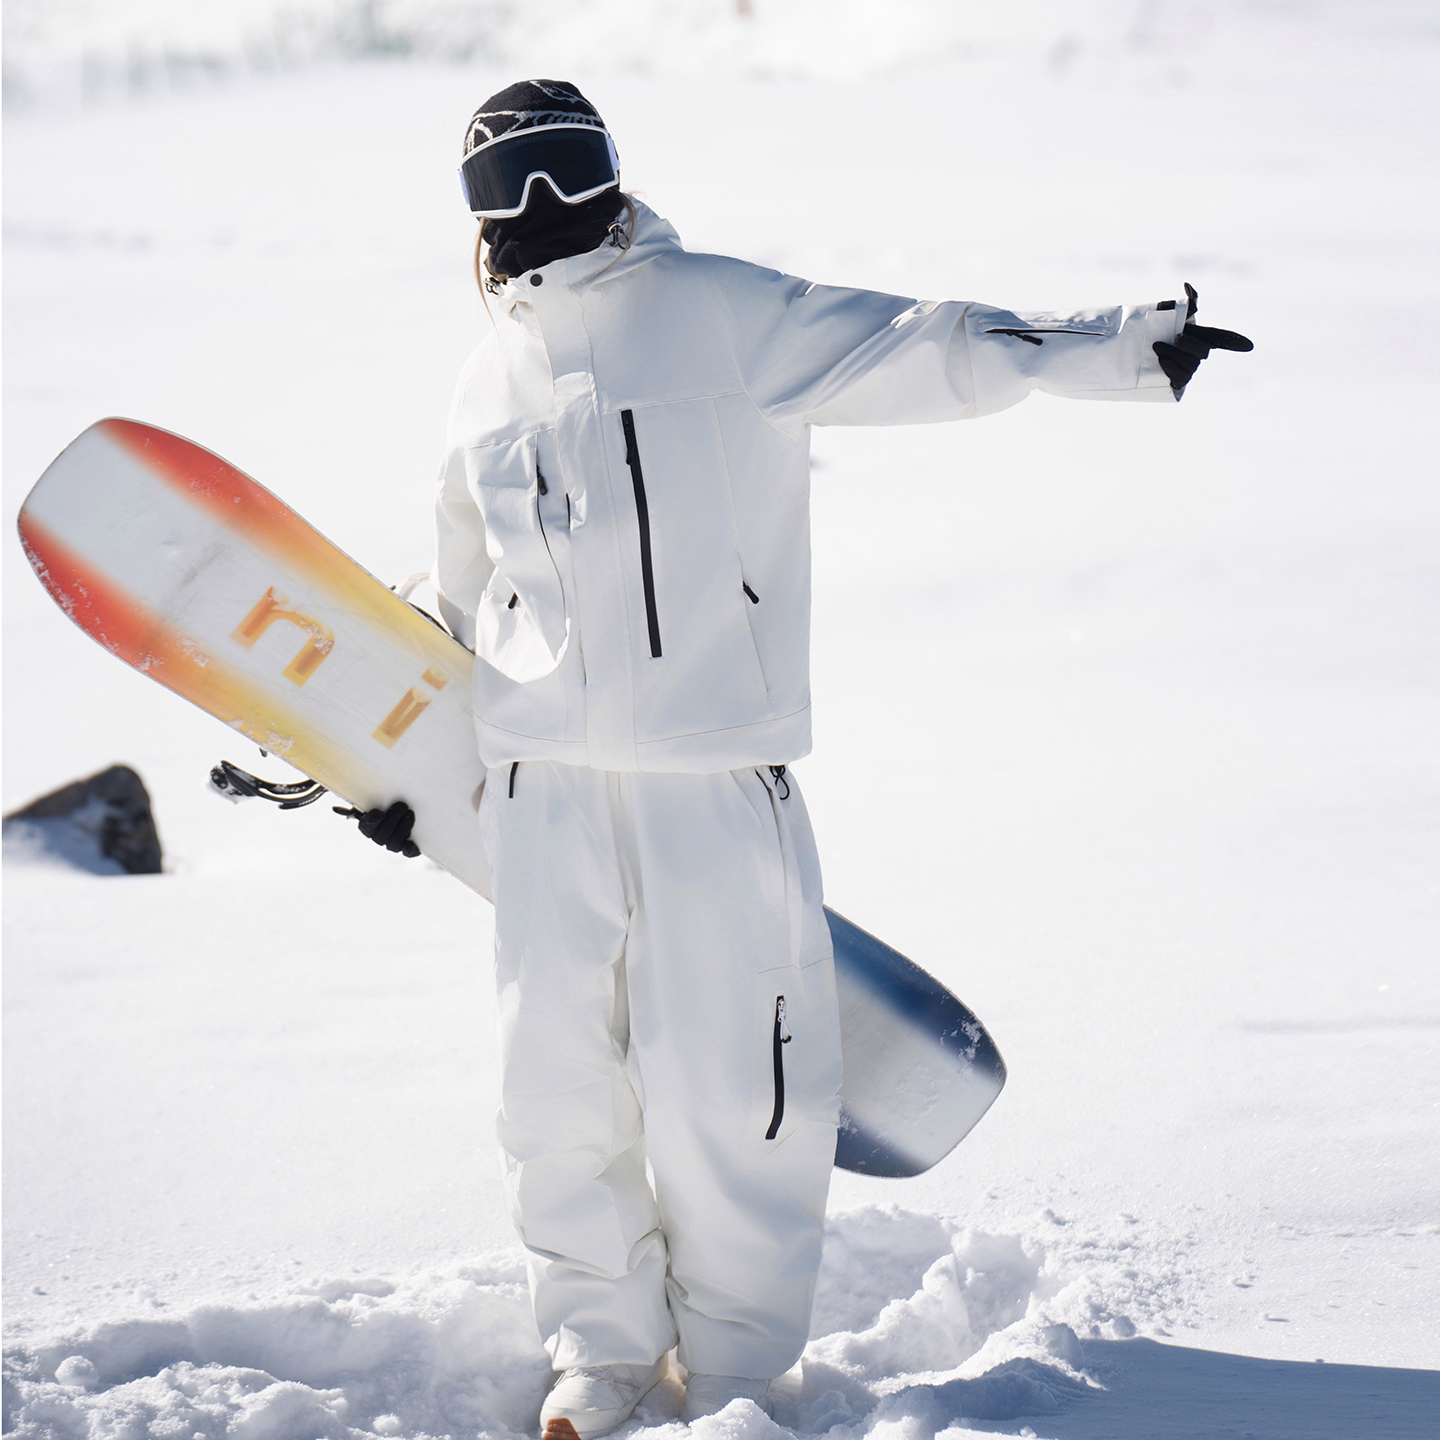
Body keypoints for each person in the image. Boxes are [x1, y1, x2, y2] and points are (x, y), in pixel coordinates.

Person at [345, 77, 1252, 1440]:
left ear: (610, 170)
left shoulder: (719, 310)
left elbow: (923, 344)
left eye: (565, 167)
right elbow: (463, 606)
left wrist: (1118, 347)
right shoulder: (489, 381)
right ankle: (598, 1353)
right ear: (474, 214)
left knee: (733, 1088)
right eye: (507, 182)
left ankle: (736, 1370)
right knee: (553, 1088)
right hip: (544, 789)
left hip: (711, 769)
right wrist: (386, 757)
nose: (540, 205)